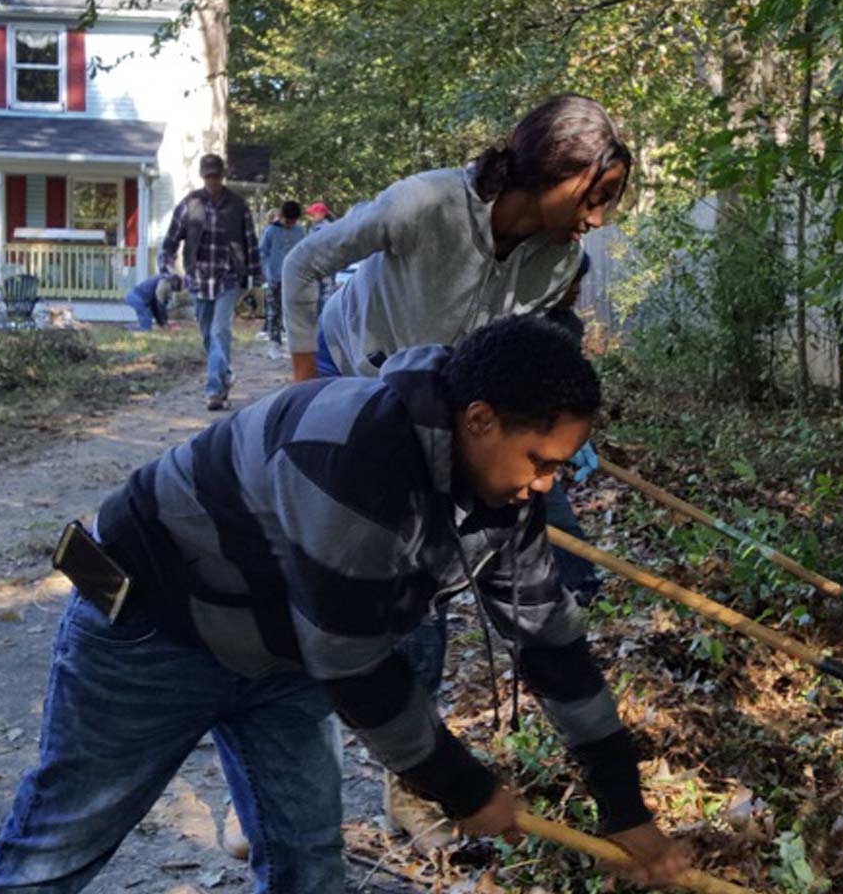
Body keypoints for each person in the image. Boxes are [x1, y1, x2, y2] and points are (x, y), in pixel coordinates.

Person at [0, 316, 692, 894]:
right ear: (479, 420)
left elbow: (553, 648)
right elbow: (353, 664)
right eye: (541, 462)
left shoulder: (505, 495)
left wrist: (625, 810)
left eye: (559, 468)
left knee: (308, 863)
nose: (546, 486)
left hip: (282, 647)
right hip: (151, 630)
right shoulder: (357, 457)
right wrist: (464, 787)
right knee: (60, 848)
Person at [280, 94, 629, 845]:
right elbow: (304, 262)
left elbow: (514, 362)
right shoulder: (425, 204)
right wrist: (305, 387)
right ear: (555, 171)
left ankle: (399, 787)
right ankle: (319, 796)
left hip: (442, 409)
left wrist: (548, 446)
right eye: (595, 197)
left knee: (425, 587)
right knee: (346, 592)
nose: (598, 218)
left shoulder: (561, 258)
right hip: (353, 380)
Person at [160, 154, 261, 411]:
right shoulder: (189, 204)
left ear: (223, 176)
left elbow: (251, 243)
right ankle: (225, 376)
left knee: (219, 331)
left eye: (216, 175)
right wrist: (167, 273)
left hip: (229, 278)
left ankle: (214, 391)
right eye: (208, 176)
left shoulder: (238, 205)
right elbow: (170, 242)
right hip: (198, 279)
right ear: (203, 177)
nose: (213, 180)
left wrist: (256, 279)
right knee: (208, 335)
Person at [258, 199, 305, 357]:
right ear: (281, 216)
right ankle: (274, 343)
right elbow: (262, 252)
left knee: (294, 311)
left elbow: (304, 252)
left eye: (293, 221)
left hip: (295, 279)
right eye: (288, 220)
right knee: (274, 312)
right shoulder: (271, 231)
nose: (290, 224)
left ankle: (293, 343)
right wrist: (267, 273)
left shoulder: (299, 231)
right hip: (274, 277)